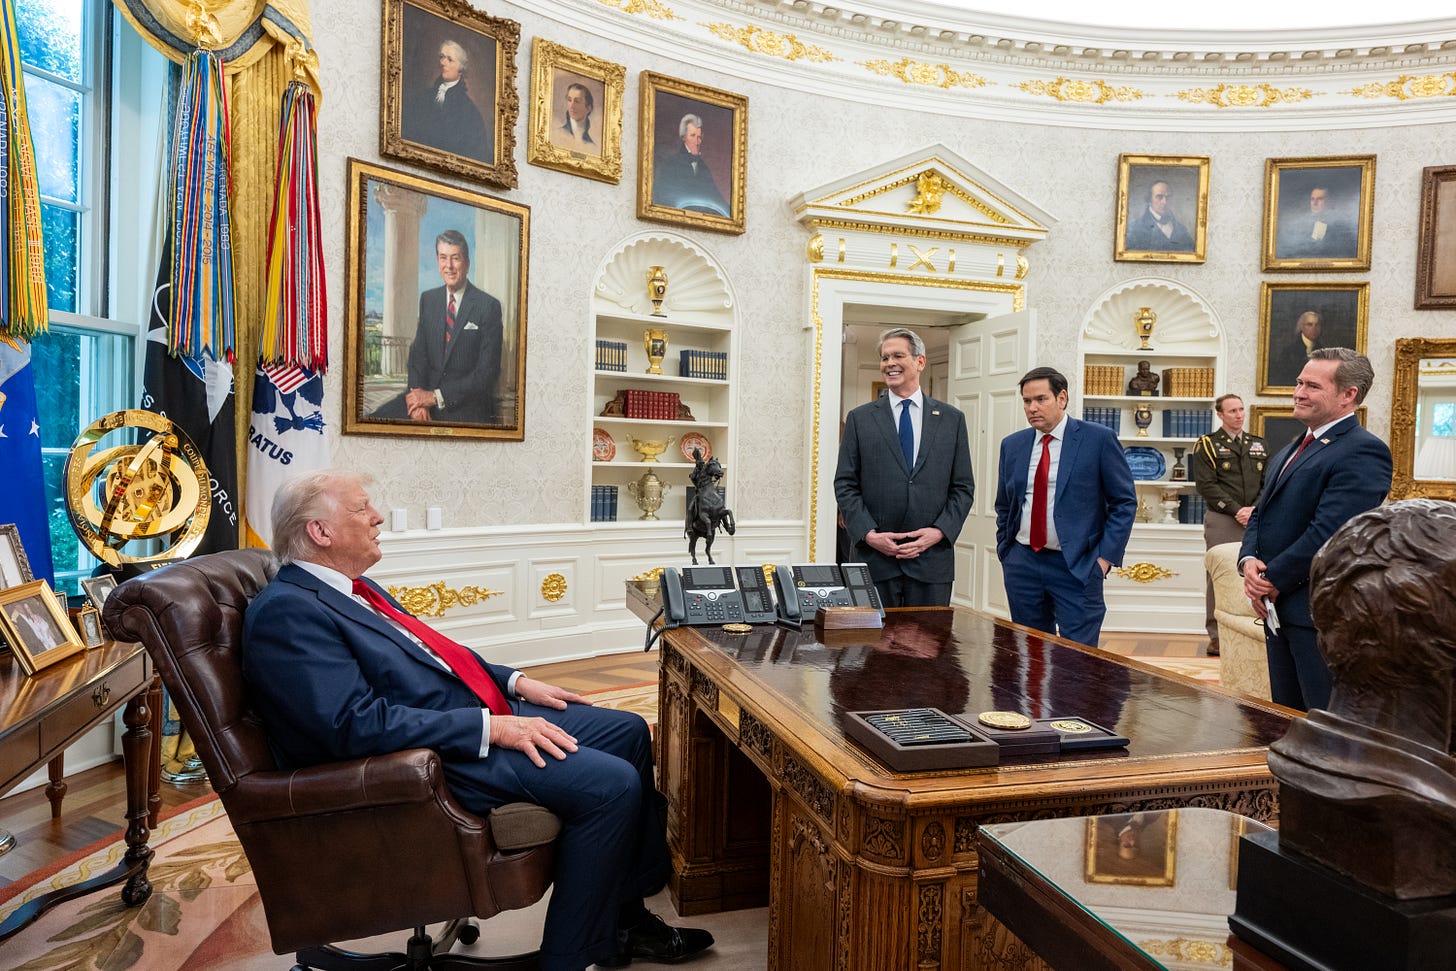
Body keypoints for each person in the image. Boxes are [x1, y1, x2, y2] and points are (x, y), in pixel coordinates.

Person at [241, 469, 713, 971]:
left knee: (628, 732)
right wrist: (491, 728)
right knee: (611, 786)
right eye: (361, 508)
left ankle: (623, 921)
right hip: (428, 756)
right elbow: (350, 726)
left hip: (462, 715)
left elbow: (436, 658)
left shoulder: (352, 588)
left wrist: (515, 683)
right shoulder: (288, 613)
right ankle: (569, 959)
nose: (377, 516)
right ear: (320, 531)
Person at [1239, 348, 1393, 712]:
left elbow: (1329, 532)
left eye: (1311, 385)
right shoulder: (1293, 447)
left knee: (1324, 729)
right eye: (1298, 382)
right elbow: (1261, 513)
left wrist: (1272, 578)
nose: (1298, 392)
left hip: (1319, 616)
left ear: (1348, 395)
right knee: (1287, 720)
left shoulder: (1363, 451)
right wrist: (1248, 561)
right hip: (1277, 610)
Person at [994, 367, 1137, 647]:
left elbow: (1124, 502)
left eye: (1040, 399)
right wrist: (1006, 550)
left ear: (1062, 398)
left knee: (1079, 660)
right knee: (1028, 653)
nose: (1032, 407)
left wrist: (1103, 560)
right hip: (1023, 563)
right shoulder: (1013, 445)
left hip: (1078, 565)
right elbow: (1005, 504)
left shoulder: (1097, 439)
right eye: (1026, 401)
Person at [834, 327, 975, 607]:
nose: (889, 364)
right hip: (874, 561)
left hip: (931, 563)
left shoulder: (951, 419)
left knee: (929, 648)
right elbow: (845, 484)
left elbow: (963, 487)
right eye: (885, 358)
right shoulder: (860, 419)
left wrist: (938, 532)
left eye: (898, 355)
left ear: (919, 362)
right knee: (872, 649)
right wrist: (869, 535)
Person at [370, 230, 504, 425]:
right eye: (443, 258)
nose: (449, 266)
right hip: (424, 400)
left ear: (466, 263)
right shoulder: (428, 300)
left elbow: (486, 373)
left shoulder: (488, 306)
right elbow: (418, 357)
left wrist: (435, 397)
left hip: (465, 406)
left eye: (455, 258)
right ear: (437, 261)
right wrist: (418, 401)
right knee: (373, 421)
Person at [1191, 394, 1267, 656]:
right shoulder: (1208, 445)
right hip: (1223, 518)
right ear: (1220, 415)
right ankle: (1217, 635)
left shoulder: (1258, 445)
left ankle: (1253, 628)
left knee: (1257, 572)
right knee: (1220, 576)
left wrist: (1254, 509)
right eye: (1232, 411)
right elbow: (1206, 485)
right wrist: (1237, 511)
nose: (1239, 415)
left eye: (1241, 409)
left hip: (1255, 518)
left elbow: (1267, 483)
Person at [403, 40, 492, 163]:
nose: (443, 62)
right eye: (442, 57)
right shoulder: (423, 97)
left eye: (450, 59)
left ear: (461, 69)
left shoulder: (469, 112)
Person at [651, 114, 729, 217]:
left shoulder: (704, 168)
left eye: (699, 137)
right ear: (683, 137)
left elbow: (715, 195)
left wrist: (732, 215)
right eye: (693, 136)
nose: (697, 142)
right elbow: (663, 198)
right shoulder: (671, 164)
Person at [1277, 185, 1356, 260]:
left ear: (1330, 201)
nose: (1315, 203)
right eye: (1312, 199)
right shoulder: (1300, 225)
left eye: (1320, 199)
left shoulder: (1340, 228)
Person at [1124, 180, 1195, 252]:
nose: (1164, 202)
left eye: (1168, 197)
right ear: (1149, 199)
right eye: (1159, 197)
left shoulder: (1182, 229)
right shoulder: (1134, 229)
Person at [1269, 310, 1328, 387]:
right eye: (1309, 324)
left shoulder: (1324, 351)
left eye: (1317, 325)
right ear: (1301, 327)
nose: (1314, 328)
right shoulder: (1289, 352)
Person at [549, 81, 599, 156]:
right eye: (569, 100)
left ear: (589, 108)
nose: (571, 106)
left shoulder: (593, 147)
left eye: (577, 101)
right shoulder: (555, 135)